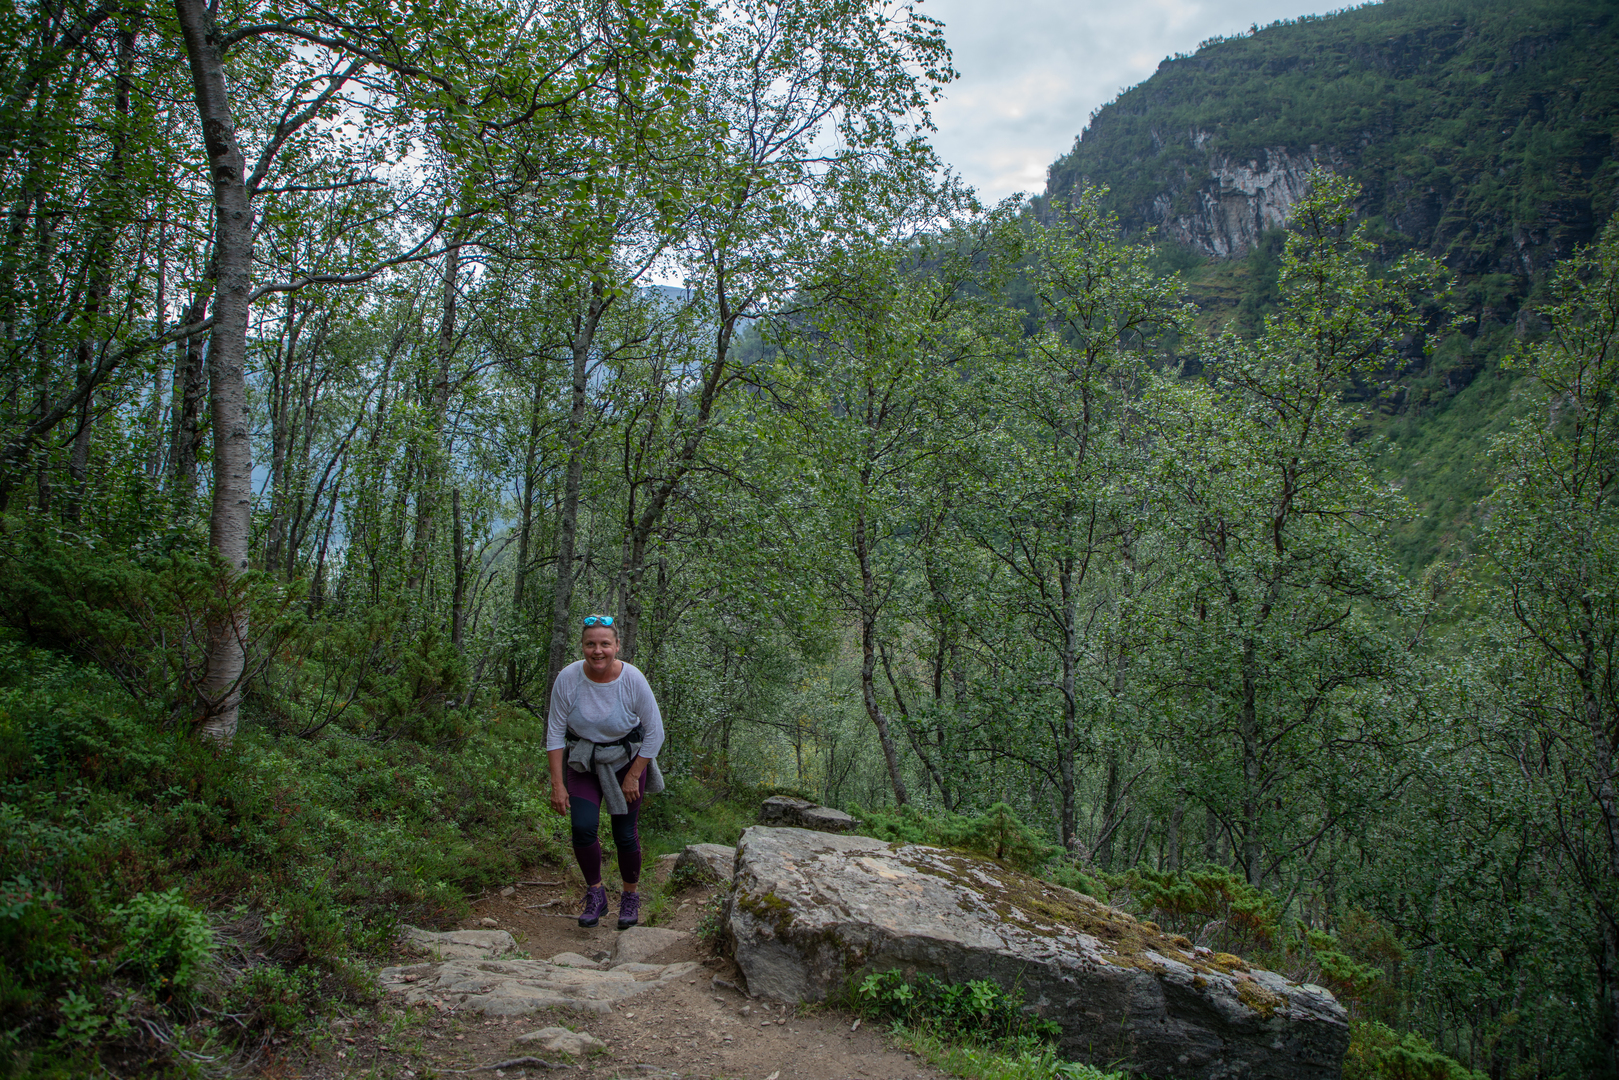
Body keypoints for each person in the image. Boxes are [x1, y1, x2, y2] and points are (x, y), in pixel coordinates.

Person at [546, 614, 665, 930]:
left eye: (604, 644)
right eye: (590, 644)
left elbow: (655, 732)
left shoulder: (632, 679)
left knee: (624, 833)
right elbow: (556, 731)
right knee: (583, 827)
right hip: (584, 762)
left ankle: (630, 896)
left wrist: (632, 774)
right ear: (582, 646)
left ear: (616, 646)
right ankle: (596, 894)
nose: (597, 651)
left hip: (627, 761)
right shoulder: (568, 679)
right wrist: (557, 784)